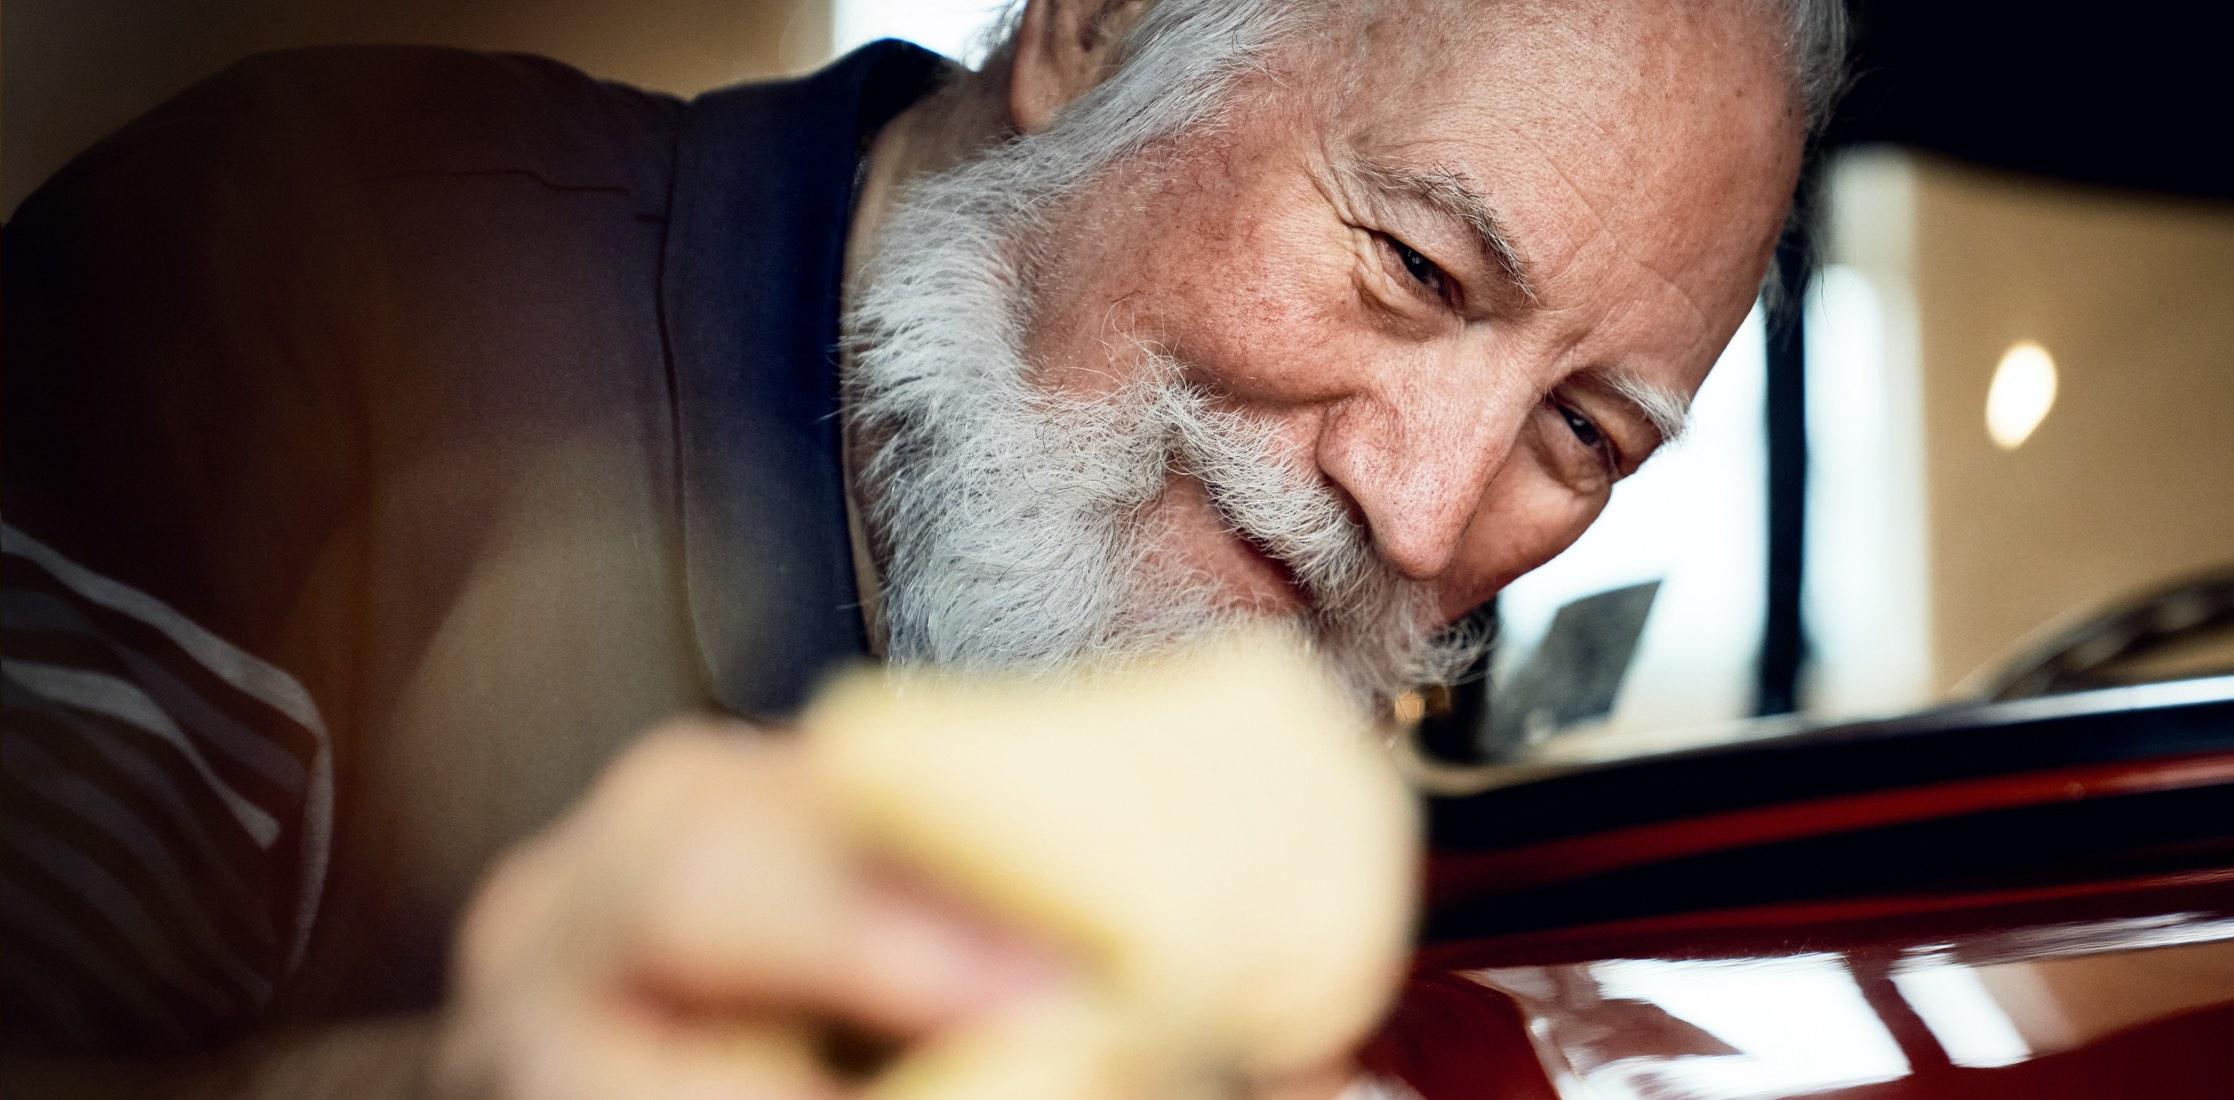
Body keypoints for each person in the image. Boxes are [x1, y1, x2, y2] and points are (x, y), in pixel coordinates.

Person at [0, 0, 1842, 1093]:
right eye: (1414, 268)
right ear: (1098, 23)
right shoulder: (309, 283)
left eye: (1579, 436)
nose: (1423, 511)